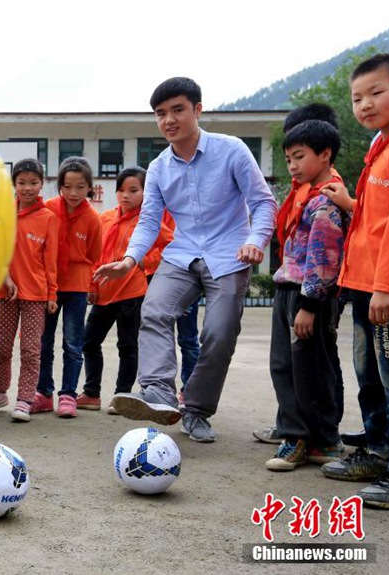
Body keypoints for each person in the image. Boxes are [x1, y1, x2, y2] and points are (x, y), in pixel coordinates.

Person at [94, 77, 278, 443]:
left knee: (219, 333)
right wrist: (130, 260)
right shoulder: (160, 167)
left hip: (229, 255)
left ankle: (195, 409)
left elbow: (263, 202)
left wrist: (256, 240)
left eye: (177, 110)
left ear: (197, 109)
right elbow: (148, 222)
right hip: (181, 255)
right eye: (161, 114)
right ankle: (159, 392)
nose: (168, 120)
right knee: (155, 310)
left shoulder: (232, 150)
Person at [317, 53, 389, 510]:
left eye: (377, 93)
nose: (366, 104)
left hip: (384, 288)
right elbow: (375, 218)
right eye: (357, 97)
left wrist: (388, 285)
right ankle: (376, 452)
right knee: (368, 377)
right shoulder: (382, 145)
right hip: (363, 283)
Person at [253, 102, 344, 445]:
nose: (292, 165)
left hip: (308, 294)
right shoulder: (302, 193)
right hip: (289, 289)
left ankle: (318, 438)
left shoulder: (326, 198)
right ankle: (297, 433)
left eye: (299, 155)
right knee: (286, 366)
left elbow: (322, 258)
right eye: (288, 157)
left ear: (325, 152)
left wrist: (308, 303)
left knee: (312, 369)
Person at [77, 167, 172, 413]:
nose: (125, 195)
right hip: (104, 293)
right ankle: (91, 393)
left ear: (145, 192)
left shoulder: (149, 222)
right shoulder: (105, 217)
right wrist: (91, 284)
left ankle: (121, 395)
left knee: (127, 347)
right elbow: (94, 252)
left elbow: (172, 245)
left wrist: (145, 261)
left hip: (132, 293)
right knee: (88, 342)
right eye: (121, 190)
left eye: (133, 190)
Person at [0, 158, 58, 422]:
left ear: (42, 184)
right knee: (0, 347)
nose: (27, 188)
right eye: (22, 182)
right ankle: (0, 392)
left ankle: (25, 399)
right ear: (14, 183)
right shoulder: (3, 213)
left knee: (31, 350)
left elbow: (51, 260)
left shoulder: (48, 218)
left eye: (33, 182)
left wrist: (52, 294)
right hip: (5, 293)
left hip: (36, 295)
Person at [33, 157, 102, 418]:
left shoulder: (93, 219)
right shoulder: (49, 209)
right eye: (68, 186)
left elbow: (95, 255)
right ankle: (43, 393)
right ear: (60, 185)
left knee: (73, 343)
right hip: (47, 286)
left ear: (89, 188)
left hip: (76, 288)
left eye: (81, 187)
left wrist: (92, 284)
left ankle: (68, 395)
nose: (74, 193)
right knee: (43, 341)